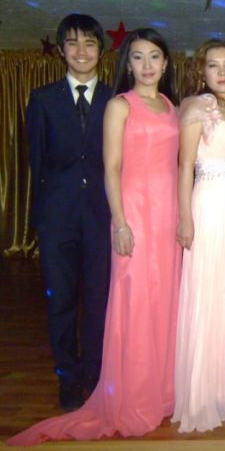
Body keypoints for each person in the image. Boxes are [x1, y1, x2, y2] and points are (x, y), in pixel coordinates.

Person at [7, 28, 181, 445]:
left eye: (154, 56)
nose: (146, 65)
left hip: (166, 215)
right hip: (129, 213)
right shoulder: (118, 104)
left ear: (165, 63)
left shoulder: (173, 106)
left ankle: (157, 386)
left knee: (159, 300)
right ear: (126, 63)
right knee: (118, 300)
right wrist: (120, 222)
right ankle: (96, 382)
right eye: (137, 57)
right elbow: (107, 167)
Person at [171, 39, 225, 432]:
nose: (222, 72)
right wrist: (184, 218)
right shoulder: (196, 107)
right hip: (208, 204)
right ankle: (203, 391)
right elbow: (184, 165)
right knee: (209, 291)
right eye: (213, 65)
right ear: (202, 71)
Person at [24, 13, 112, 412]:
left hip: (102, 218)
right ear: (61, 50)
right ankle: (68, 376)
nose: (81, 51)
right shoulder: (43, 99)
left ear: (100, 51)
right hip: (57, 219)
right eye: (73, 43)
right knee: (60, 300)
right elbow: (36, 163)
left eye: (89, 43)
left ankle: (94, 373)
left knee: (97, 299)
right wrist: (41, 220)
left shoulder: (115, 99)